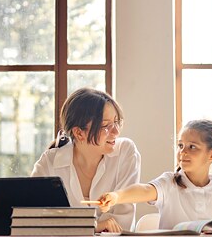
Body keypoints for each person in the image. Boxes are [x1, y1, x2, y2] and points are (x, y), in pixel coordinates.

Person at [98, 119, 212, 230]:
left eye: (192, 147)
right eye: (180, 146)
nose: (183, 152)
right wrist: (116, 196)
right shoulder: (169, 183)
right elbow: (144, 190)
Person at [31, 87, 141, 233]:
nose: (116, 131)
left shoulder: (126, 152)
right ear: (79, 133)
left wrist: (72, 226)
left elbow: (121, 224)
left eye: (116, 122)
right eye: (105, 126)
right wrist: (95, 226)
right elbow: (33, 219)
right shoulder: (50, 162)